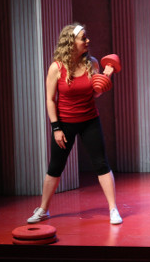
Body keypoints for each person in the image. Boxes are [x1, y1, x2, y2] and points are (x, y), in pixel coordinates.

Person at [27, 24, 122, 225]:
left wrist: (107, 75)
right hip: (65, 123)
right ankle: (43, 209)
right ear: (71, 43)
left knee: (101, 164)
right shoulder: (56, 67)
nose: (87, 41)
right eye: (83, 38)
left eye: (86, 38)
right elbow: (50, 100)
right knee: (55, 167)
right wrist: (56, 128)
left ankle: (113, 209)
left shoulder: (92, 63)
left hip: (89, 121)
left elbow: (96, 93)